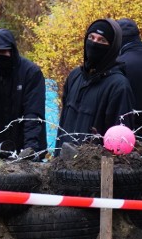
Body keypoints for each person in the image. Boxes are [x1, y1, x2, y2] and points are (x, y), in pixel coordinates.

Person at [55, 18, 136, 154]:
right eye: (91, 37)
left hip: (95, 170)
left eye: (102, 40)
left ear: (112, 48)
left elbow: (121, 142)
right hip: (63, 166)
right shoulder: (75, 76)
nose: (94, 44)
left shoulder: (118, 86)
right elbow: (63, 125)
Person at [0, 28, 46, 158]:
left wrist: (30, 148)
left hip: (27, 145)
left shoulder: (30, 72)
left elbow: (32, 113)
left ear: (11, 51)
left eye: (3, 51)